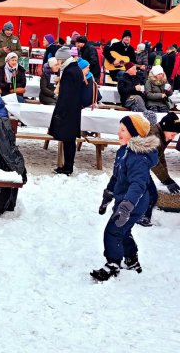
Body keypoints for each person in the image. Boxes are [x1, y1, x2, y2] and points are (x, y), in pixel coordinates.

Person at [92, 114, 158, 281]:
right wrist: (108, 195)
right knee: (123, 230)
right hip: (124, 200)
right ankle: (131, 259)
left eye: (123, 129)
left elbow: (138, 185)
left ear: (135, 134)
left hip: (135, 202)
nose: (118, 132)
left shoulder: (139, 158)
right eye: (119, 128)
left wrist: (126, 207)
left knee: (113, 230)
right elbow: (116, 177)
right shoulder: (123, 152)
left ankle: (113, 264)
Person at [48, 46, 84, 175]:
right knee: (69, 140)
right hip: (73, 109)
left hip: (68, 110)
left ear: (62, 60)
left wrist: (60, 112)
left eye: (58, 60)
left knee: (68, 140)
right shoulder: (74, 69)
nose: (57, 63)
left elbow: (66, 95)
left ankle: (68, 167)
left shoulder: (69, 72)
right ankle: (67, 165)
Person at [148, 112, 180, 194]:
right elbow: (152, 159)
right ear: (166, 128)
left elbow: (160, 157)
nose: (172, 138)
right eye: (172, 135)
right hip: (130, 166)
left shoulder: (162, 135)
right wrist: (166, 180)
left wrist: (166, 178)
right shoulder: (153, 136)